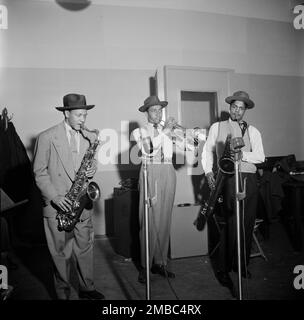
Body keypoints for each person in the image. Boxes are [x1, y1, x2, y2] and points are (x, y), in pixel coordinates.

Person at [33, 93, 104, 300]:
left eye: (85, 115)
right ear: (66, 113)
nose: (83, 120)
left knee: (85, 249)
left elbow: (90, 164)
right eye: (79, 115)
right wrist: (54, 197)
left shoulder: (88, 135)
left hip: (83, 201)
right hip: (59, 204)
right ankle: (62, 293)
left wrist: (92, 169)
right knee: (60, 254)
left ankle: (87, 288)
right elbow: (39, 172)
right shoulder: (46, 137)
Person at [201, 91, 265, 293]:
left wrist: (242, 154)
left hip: (249, 180)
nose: (237, 110)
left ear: (245, 110)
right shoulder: (217, 127)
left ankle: (241, 264)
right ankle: (223, 268)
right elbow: (207, 150)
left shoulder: (253, 131)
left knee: (246, 223)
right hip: (228, 180)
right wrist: (208, 172)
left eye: (241, 107)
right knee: (231, 223)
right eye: (234, 106)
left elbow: (261, 156)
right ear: (230, 108)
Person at [132, 95, 197, 284]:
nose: (157, 113)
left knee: (164, 218)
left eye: (160, 110)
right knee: (148, 220)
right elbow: (148, 149)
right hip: (149, 170)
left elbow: (189, 146)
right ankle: (145, 265)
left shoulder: (166, 130)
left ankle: (159, 262)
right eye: (153, 110)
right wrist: (166, 132)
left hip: (168, 171)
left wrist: (188, 135)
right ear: (146, 113)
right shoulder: (140, 131)